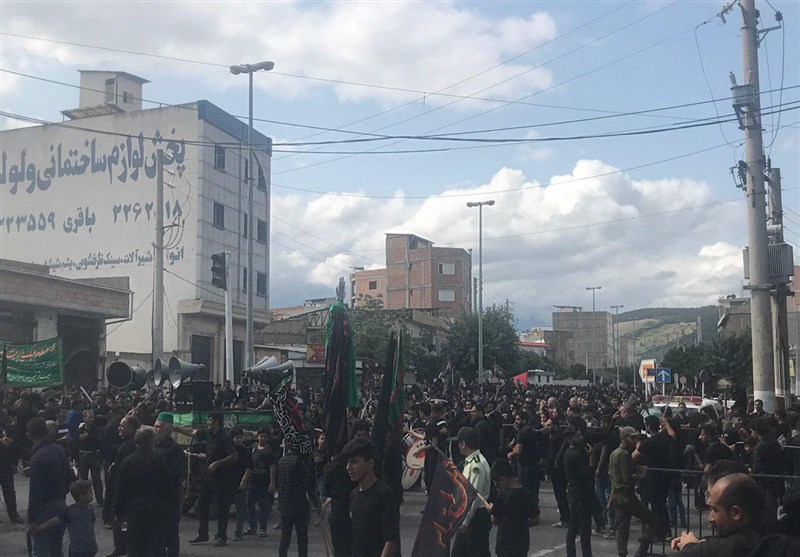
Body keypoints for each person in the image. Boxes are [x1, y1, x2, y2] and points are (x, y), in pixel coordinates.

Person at [670, 473, 800, 556]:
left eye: (715, 509)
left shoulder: (716, 550)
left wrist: (692, 548)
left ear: (736, 513)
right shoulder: (787, 545)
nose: (710, 518)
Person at [181, 412, 238, 546]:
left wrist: (217, 463)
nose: (208, 422)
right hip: (209, 476)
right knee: (202, 504)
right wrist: (176, 428)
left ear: (217, 422)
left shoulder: (225, 437)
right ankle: (203, 534)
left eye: (210, 420)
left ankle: (222, 536)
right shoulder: (209, 433)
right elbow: (193, 432)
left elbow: (234, 456)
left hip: (222, 477)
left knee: (222, 507)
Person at [114, 426, 171, 557]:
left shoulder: (128, 461)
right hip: (155, 508)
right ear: (151, 440)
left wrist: (118, 512)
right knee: (155, 545)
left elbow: (121, 488)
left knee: (136, 545)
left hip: (134, 509)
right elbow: (167, 485)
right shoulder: (158, 460)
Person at [343, 436, 400, 557]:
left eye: (354, 462)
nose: (348, 467)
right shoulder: (353, 494)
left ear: (370, 463)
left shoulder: (384, 495)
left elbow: (391, 540)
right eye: (347, 462)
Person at [27, 416, 72, 557]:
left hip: (44, 509)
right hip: (60, 503)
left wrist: (32, 519)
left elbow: (35, 492)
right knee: (56, 548)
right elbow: (68, 477)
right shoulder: (59, 450)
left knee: (40, 550)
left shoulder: (37, 458)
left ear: (29, 435)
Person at [609, 426, 655, 557]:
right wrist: (640, 475)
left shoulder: (615, 453)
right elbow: (627, 478)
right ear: (625, 439)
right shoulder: (623, 454)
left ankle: (623, 554)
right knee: (653, 520)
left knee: (622, 528)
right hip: (626, 496)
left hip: (619, 495)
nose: (635, 440)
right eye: (632, 438)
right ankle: (641, 550)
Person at [29, 480, 98, 557]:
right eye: (90, 492)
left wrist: (40, 527)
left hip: (81, 548)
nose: (92, 494)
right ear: (82, 496)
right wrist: (40, 528)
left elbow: (56, 520)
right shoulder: (82, 510)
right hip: (83, 549)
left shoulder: (76, 510)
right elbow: (55, 520)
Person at [452, 426, 492, 557]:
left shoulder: (476, 465)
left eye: (459, 443)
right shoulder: (471, 461)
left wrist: (465, 521)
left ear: (464, 444)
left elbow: (473, 496)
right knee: (458, 553)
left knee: (477, 552)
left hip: (475, 517)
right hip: (469, 515)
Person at [105, 415, 139, 557]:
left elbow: (121, 469)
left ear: (132, 428)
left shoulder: (128, 447)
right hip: (123, 488)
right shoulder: (126, 444)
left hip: (123, 489)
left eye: (123, 426)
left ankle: (122, 548)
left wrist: (113, 469)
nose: (119, 428)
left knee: (120, 519)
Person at [486, 458, 535, 557]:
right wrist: (522, 523)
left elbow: (494, 520)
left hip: (505, 542)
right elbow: (536, 519)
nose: (498, 487)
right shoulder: (527, 494)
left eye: (497, 483)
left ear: (503, 479)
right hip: (522, 542)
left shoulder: (502, 497)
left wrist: (491, 509)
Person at [277, 445, 318, 557]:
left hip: (284, 504)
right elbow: (307, 483)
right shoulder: (298, 461)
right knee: (302, 538)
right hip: (299, 505)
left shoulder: (281, 461)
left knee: (285, 537)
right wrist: (316, 502)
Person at [153, 412, 185, 557]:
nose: (155, 430)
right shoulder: (155, 446)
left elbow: (174, 475)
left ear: (167, 429)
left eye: (158, 427)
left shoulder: (174, 449)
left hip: (169, 499)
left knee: (170, 535)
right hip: (156, 498)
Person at [563, 427, 593, 557]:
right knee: (584, 528)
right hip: (580, 493)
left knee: (574, 525)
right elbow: (586, 473)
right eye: (577, 436)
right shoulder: (576, 454)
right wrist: (591, 458)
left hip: (574, 492)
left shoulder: (568, 452)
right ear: (570, 439)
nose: (581, 438)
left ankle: (571, 553)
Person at [507, 411, 540, 524]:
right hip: (533, 464)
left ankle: (528, 515)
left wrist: (510, 454)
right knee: (533, 491)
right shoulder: (531, 431)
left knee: (525, 491)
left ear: (524, 420)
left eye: (518, 419)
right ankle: (534, 514)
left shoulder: (522, 433)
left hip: (525, 465)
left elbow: (518, 450)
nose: (516, 422)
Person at [247, 427, 277, 537]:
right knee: (249, 504)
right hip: (252, 482)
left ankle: (263, 529)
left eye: (264, 437)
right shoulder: (253, 448)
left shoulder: (269, 452)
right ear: (257, 436)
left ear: (268, 438)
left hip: (263, 483)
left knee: (263, 506)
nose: (262, 438)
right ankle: (252, 527)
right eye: (261, 436)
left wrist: (272, 483)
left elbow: (272, 468)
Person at [230, 426, 253, 541]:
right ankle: (220, 533)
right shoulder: (228, 448)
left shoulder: (244, 450)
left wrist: (244, 480)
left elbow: (249, 467)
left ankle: (238, 533)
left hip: (240, 483)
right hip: (228, 482)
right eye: (236, 437)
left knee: (241, 509)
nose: (239, 439)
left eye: (240, 437)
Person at [76, 410, 103, 505]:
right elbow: (75, 443)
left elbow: (99, 441)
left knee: (96, 479)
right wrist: (75, 457)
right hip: (83, 456)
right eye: (89, 417)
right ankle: (82, 499)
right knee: (83, 479)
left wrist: (89, 436)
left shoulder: (97, 429)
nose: (91, 419)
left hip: (94, 455)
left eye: (92, 417)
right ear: (84, 418)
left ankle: (100, 499)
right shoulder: (80, 430)